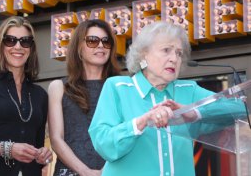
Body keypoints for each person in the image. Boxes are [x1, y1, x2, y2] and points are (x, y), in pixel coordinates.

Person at [88, 21, 217, 176]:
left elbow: (237, 106)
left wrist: (192, 113)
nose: (174, 59)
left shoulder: (189, 90)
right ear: (144, 54)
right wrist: (142, 121)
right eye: (166, 50)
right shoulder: (118, 87)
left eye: (179, 53)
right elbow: (104, 145)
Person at [0, 16, 52, 176]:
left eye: (25, 41)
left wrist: (43, 154)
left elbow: (37, 144)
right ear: (1, 45)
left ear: (31, 48)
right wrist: (7, 149)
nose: (18, 46)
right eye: (10, 40)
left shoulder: (40, 95)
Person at [48, 19, 120, 176]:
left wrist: (107, 171)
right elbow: (56, 139)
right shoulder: (58, 87)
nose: (101, 45)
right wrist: (85, 172)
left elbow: (126, 137)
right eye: (93, 41)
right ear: (79, 47)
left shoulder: (120, 87)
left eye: (106, 41)